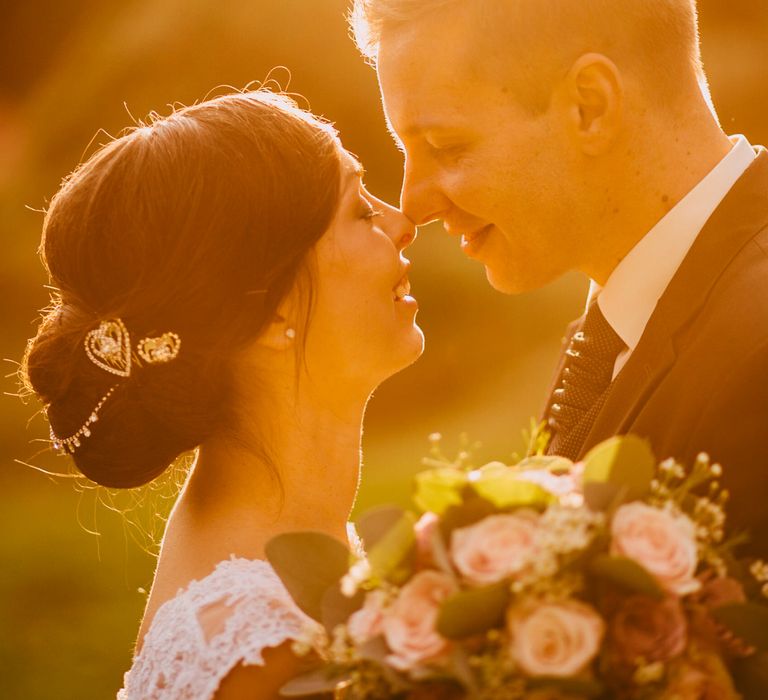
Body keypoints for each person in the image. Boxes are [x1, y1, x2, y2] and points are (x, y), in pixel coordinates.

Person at [21, 89, 423, 699]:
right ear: (266, 311)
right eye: (360, 212)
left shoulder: (274, 555)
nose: (402, 222)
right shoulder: (262, 650)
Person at [352, 0, 768, 556]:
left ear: (590, 106)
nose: (413, 203)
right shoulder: (607, 336)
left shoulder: (756, 348)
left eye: (447, 147)